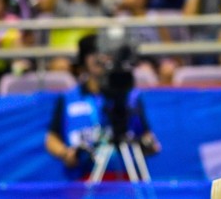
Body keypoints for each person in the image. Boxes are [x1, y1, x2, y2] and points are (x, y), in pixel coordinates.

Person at [45, 34, 160, 180]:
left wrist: (148, 144)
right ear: (83, 60)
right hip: (84, 178)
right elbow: (51, 138)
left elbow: (146, 134)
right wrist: (66, 153)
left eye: (104, 53)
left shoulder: (129, 96)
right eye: (93, 53)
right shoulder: (69, 98)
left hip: (125, 177)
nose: (100, 58)